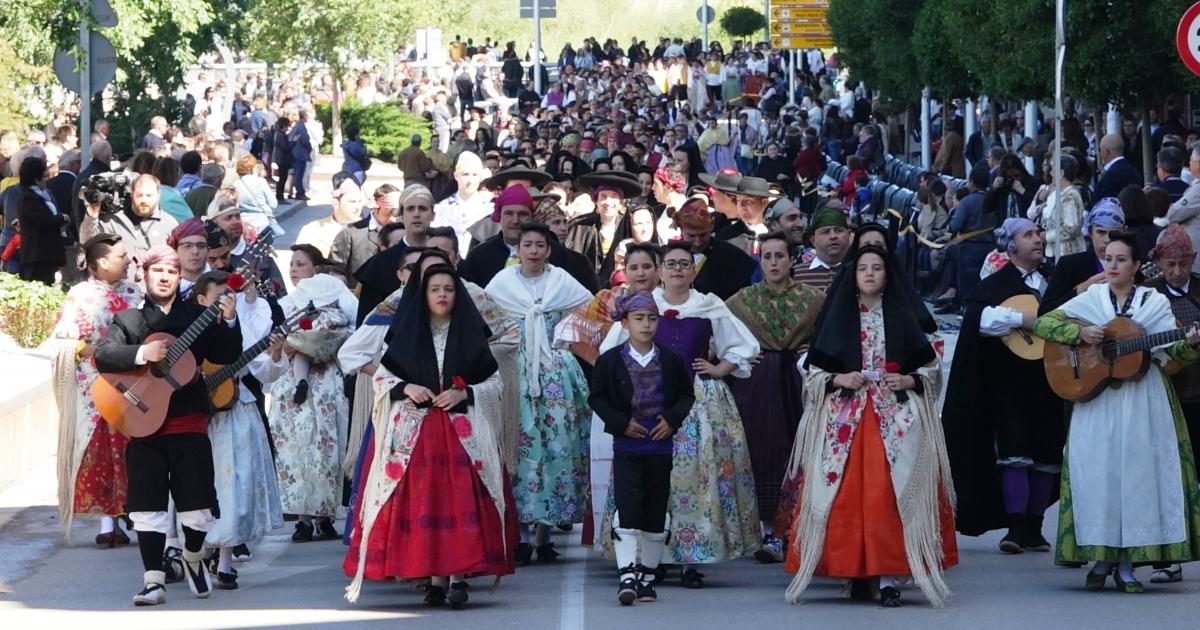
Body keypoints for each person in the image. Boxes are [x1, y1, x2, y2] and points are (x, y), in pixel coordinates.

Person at [783, 244, 956, 608]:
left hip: (893, 420)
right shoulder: (838, 319)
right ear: (853, 275)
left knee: (888, 497)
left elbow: (928, 367)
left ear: (887, 275)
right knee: (845, 497)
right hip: (845, 421)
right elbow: (813, 372)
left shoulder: (902, 317)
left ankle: (889, 576)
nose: (871, 274)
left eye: (878, 267)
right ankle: (854, 570)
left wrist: (910, 381)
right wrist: (839, 378)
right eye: (863, 268)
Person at [1033, 231, 1200, 593]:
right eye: (1108, 258)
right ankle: (1102, 556)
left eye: (1121, 259)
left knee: (1137, 479)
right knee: (1099, 476)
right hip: (1098, 403)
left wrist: (1190, 345)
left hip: (1144, 402)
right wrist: (1080, 335)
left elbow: (1177, 356)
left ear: (1137, 266)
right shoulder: (1091, 299)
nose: (1111, 265)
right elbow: (1043, 323)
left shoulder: (1153, 303)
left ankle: (1127, 565)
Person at [344, 264, 516, 608]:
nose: (441, 295)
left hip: (461, 435)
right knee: (428, 502)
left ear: (458, 295)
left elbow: (494, 383)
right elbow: (381, 378)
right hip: (416, 435)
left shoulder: (470, 335)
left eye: (448, 289)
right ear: (422, 295)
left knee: (459, 501)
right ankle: (434, 579)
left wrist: (463, 395)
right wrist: (406, 387)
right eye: (434, 288)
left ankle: (457, 578)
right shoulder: (407, 335)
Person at [597, 241, 760, 588]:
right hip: (648, 402)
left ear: (693, 270)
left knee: (695, 481)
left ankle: (690, 557)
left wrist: (719, 368)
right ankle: (645, 558)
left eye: (685, 264)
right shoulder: (643, 305)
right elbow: (609, 351)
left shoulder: (708, 305)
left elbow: (745, 345)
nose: (677, 271)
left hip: (697, 403)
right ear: (660, 269)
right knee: (650, 481)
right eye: (670, 264)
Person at [93, 245, 241, 606]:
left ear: (179, 277)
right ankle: (153, 580)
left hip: (188, 418)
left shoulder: (198, 314)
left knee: (197, 505)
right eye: (157, 270)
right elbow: (103, 355)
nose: (164, 277)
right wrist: (143, 354)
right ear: (144, 275)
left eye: (171, 272)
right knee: (147, 506)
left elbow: (227, 354)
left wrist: (229, 319)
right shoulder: (129, 320)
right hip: (143, 422)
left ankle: (192, 556)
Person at [943, 218, 1065, 553]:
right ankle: (1014, 527)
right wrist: (1022, 319)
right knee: (1015, 451)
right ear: (1010, 245)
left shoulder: (1052, 281)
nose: (1038, 239)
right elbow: (979, 320)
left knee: (1046, 452)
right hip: (1009, 382)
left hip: (1048, 378)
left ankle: (1035, 527)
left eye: (1039, 233)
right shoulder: (996, 283)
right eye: (1028, 235)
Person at [486, 222, 594, 564]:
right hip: (514, 372)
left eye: (539, 245)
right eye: (527, 244)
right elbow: (484, 320)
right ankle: (517, 536)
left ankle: (545, 536)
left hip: (556, 373)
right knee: (517, 449)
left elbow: (590, 312)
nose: (533, 250)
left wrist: (564, 337)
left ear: (548, 250)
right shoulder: (501, 284)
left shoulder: (562, 281)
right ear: (517, 249)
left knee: (557, 449)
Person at [589, 291, 695, 605]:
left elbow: (685, 395)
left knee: (655, 510)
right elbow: (597, 398)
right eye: (638, 319)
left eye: (651, 318)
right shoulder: (610, 361)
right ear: (625, 322)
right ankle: (627, 575)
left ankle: (648, 577)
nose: (646, 325)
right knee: (628, 505)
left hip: (660, 448)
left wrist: (672, 419)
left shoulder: (671, 359)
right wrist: (621, 423)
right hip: (627, 446)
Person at [726, 232, 825, 563]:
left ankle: (795, 529)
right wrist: (738, 355)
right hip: (757, 384)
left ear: (792, 259)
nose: (772, 263)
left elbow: (829, 337)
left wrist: (813, 350)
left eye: (779, 256)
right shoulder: (743, 300)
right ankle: (766, 530)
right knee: (759, 450)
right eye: (766, 257)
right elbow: (720, 334)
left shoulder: (814, 300)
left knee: (796, 451)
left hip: (798, 382)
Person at [190, 271, 284, 590]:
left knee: (233, 486)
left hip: (236, 410)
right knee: (198, 484)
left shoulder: (242, 323)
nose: (225, 304)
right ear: (201, 299)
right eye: (217, 299)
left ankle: (226, 560)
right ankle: (194, 550)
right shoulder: (188, 330)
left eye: (228, 298)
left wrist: (274, 352)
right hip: (196, 415)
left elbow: (264, 373)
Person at [47, 234, 142, 546]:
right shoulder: (80, 295)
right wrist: (92, 350)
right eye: (122, 256)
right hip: (95, 387)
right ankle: (107, 523)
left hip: (135, 382)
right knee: (102, 454)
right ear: (102, 262)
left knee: (134, 452)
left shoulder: (134, 292)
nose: (129, 260)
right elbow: (63, 339)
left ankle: (138, 516)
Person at [268, 264, 356, 543]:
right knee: (309, 451)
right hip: (316, 384)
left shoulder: (322, 315)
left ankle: (316, 517)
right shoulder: (322, 314)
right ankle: (311, 518)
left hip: (313, 384)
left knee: (317, 451)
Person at [1145, 224, 1200, 583]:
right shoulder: (1148, 295)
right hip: (1168, 394)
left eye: (1182, 263)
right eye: (1170, 264)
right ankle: (1170, 557)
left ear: (1192, 259)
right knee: (1172, 476)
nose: (1177, 271)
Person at [80, 174, 180, 279]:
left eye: (149, 195)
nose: (144, 200)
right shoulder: (112, 221)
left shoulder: (170, 224)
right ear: (132, 193)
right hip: (118, 290)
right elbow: (86, 241)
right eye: (139, 195)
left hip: (154, 290)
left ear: (158, 195)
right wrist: (92, 216)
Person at [1039, 198, 1125, 314]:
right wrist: (1081, 289)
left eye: (1114, 234)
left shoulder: (1133, 264)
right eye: (1101, 232)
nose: (1107, 240)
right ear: (1090, 233)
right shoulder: (1069, 265)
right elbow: (1045, 311)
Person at [673, 199, 756, 300]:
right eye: (691, 236)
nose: (697, 242)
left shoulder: (733, 258)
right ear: (680, 230)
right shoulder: (667, 256)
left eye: (703, 235)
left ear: (711, 227)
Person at [328, 183, 398, 288]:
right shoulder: (350, 234)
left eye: (397, 213)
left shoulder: (404, 235)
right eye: (388, 212)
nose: (393, 218)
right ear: (375, 207)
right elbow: (334, 270)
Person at [15, 156, 70, 284]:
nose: (47, 179)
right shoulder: (28, 197)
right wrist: (62, 218)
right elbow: (43, 220)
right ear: (36, 178)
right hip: (37, 255)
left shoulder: (42, 195)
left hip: (47, 254)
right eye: (45, 176)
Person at [295, 178, 363, 258]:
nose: (358, 207)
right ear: (336, 202)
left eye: (360, 201)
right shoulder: (312, 230)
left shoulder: (368, 230)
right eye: (352, 202)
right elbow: (299, 264)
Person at [792, 204, 850, 292]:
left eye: (839, 230)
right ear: (813, 240)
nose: (833, 236)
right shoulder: (795, 275)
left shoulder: (860, 271)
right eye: (826, 232)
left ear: (848, 235)